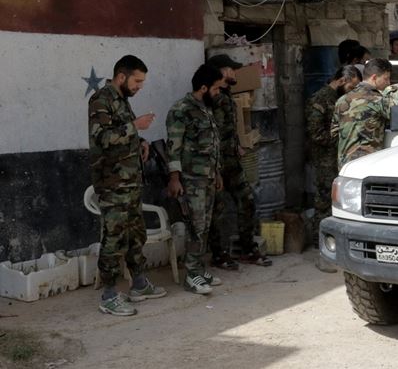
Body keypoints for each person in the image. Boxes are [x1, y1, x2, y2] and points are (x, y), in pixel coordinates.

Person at [89, 55, 166, 316]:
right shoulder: (101, 99)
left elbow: (122, 133)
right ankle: (109, 295)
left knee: (136, 235)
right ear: (121, 77)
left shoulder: (121, 100)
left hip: (130, 182)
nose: (139, 86)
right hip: (112, 185)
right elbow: (103, 138)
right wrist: (135, 126)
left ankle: (139, 283)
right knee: (114, 239)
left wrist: (140, 141)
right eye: (137, 81)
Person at [206, 54, 272, 269]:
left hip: (231, 159)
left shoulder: (224, 95)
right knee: (219, 209)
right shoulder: (212, 96)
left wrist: (237, 146)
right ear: (220, 71)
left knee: (247, 200)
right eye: (230, 69)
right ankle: (218, 254)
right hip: (216, 162)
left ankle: (247, 248)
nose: (234, 73)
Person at [166, 64, 224, 295]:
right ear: (203, 87)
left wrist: (217, 173)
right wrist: (174, 179)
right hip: (191, 179)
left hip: (208, 177)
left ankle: (199, 268)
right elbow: (174, 147)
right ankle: (191, 275)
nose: (219, 93)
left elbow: (212, 146)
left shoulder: (204, 108)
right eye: (217, 88)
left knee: (205, 226)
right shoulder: (181, 110)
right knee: (196, 227)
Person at [306, 66, 362, 245]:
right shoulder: (320, 99)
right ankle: (319, 240)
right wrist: (341, 138)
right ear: (342, 81)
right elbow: (316, 133)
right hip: (325, 159)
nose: (352, 92)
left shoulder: (339, 99)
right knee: (324, 199)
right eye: (351, 87)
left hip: (338, 158)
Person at [331, 58, 392, 169]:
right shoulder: (380, 100)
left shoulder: (341, 100)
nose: (388, 83)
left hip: (345, 164)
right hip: (369, 163)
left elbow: (334, 133)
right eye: (386, 79)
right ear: (374, 78)